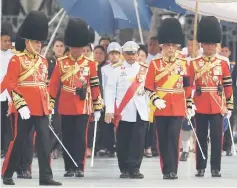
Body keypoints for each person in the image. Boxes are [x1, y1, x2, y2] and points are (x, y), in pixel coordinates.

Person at [1, 11, 62, 186]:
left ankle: (46, 176)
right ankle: (7, 173)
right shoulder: (16, 60)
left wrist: (48, 107)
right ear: (27, 41)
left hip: (41, 108)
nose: (39, 44)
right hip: (24, 108)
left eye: (40, 42)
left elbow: (44, 86)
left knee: (44, 142)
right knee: (19, 140)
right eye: (36, 41)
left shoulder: (43, 61)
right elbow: (11, 84)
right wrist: (20, 105)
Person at [49, 18, 102, 178]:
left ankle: (79, 166)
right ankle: (69, 167)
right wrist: (50, 103)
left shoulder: (90, 64)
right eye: (74, 47)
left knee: (80, 136)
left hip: (83, 105)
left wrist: (97, 106)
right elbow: (53, 85)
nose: (76, 50)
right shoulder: (61, 63)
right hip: (65, 104)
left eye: (79, 47)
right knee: (67, 136)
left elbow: (94, 85)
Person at [145, 18, 192, 180]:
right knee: (162, 140)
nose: (170, 48)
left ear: (177, 46)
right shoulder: (155, 64)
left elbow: (187, 86)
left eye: (173, 45)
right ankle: (166, 169)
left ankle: (173, 169)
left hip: (178, 106)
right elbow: (148, 86)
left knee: (174, 138)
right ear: (162, 46)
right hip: (161, 106)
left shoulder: (184, 63)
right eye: (167, 45)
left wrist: (190, 104)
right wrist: (155, 99)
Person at [189, 16, 233, 178]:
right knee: (200, 137)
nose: (210, 47)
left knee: (216, 138)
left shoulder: (222, 63)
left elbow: (227, 85)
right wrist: (189, 102)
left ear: (216, 45)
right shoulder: (194, 63)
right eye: (207, 44)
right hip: (200, 104)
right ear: (202, 44)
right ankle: (200, 167)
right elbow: (189, 85)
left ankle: (216, 167)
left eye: (212, 44)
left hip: (217, 105)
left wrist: (229, 105)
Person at [104, 41, 149, 179]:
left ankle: (135, 168)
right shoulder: (117, 69)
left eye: (133, 53)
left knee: (138, 140)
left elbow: (149, 90)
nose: (131, 56)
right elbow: (110, 90)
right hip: (123, 111)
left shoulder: (144, 69)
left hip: (140, 109)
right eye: (128, 54)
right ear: (123, 54)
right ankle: (124, 168)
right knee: (123, 140)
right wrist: (109, 110)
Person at [0, 21, 14, 158]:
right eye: (5, 41)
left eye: (9, 41)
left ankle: (6, 148)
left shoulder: (13, 55)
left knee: (8, 125)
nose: (7, 43)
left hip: (9, 96)